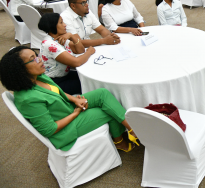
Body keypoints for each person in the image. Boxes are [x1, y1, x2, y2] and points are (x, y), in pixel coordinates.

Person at [0, 46, 139, 153]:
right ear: (20, 70)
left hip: (66, 108)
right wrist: (75, 113)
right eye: (33, 59)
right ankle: (120, 141)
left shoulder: (38, 77)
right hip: (65, 129)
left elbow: (57, 92)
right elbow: (49, 130)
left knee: (102, 94)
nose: (40, 59)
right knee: (108, 111)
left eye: (36, 55)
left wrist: (74, 99)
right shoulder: (27, 99)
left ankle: (132, 129)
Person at [38, 13, 93, 94]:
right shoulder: (50, 44)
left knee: (89, 77)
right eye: (61, 23)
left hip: (64, 75)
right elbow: (76, 62)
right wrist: (90, 52)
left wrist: (72, 36)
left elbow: (80, 51)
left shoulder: (59, 38)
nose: (65, 25)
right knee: (90, 84)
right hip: (55, 82)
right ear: (52, 25)